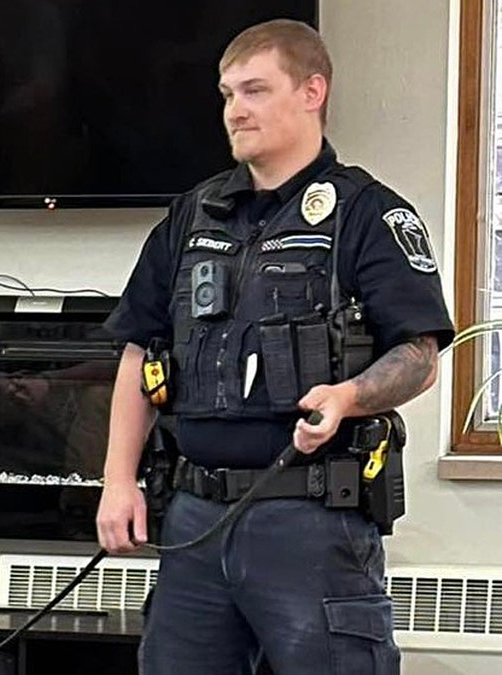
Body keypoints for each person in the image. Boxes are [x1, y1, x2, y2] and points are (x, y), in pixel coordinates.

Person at [95, 19, 452, 675]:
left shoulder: (365, 214)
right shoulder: (191, 216)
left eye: (255, 90)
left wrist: (348, 397)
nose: (236, 110)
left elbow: (420, 354)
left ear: (312, 90)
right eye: (228, 94)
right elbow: (136, 352)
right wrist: (117, 481)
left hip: (311, 521)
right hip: (195, 520)